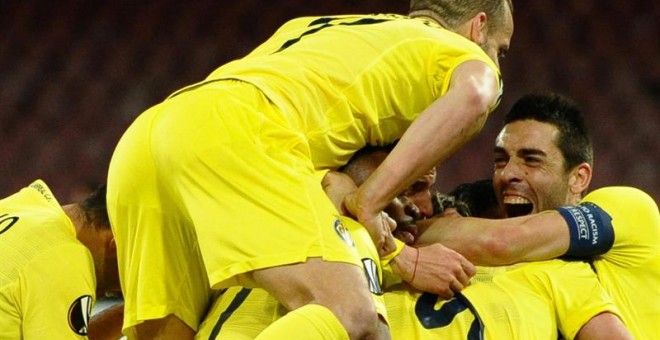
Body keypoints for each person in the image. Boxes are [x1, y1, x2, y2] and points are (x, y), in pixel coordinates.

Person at [106, 0, 514, 338]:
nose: (497, 62)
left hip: (152, 133)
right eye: (500, 48)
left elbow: (325, 181)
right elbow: (476, 94)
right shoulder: (459, 53)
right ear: (478, 28)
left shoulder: (328, 28)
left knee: (168, 331)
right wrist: (369, 203)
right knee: (351, 316)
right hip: (243, 130)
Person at [195, 141, 631, 340]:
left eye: (421, 188)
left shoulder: (552, 271)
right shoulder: (305, 230)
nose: (409, 207)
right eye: (390, 189)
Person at [414, 92, 660, 338]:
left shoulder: (628, 207)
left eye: (531, 160)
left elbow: (502, 241)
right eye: (500, 161)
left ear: (578, 178)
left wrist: (391, 235)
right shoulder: (527, 274)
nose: (507, 173)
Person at [0, 180, 121, 339]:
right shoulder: (65, 258)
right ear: (116, 244)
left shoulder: (22, 205)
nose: (118, 290)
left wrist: (135, 312)